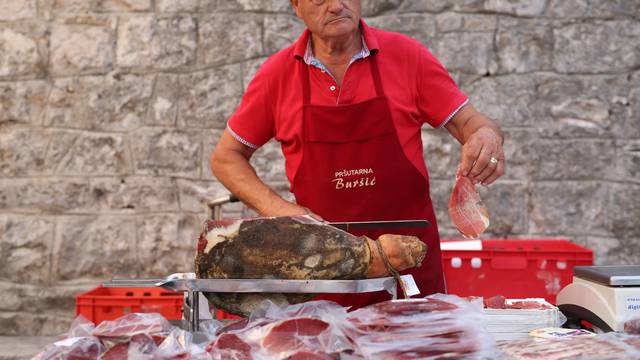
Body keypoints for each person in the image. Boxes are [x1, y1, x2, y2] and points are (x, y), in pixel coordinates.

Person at [210, 0, 505, 308]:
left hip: (408, 268)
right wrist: (279, 209)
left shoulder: (406, 56)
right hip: (323, 272)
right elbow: (226, 157)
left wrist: (485, 135)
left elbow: (470, 123)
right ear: (296, 6)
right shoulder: (277, 75)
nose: (337, 6)